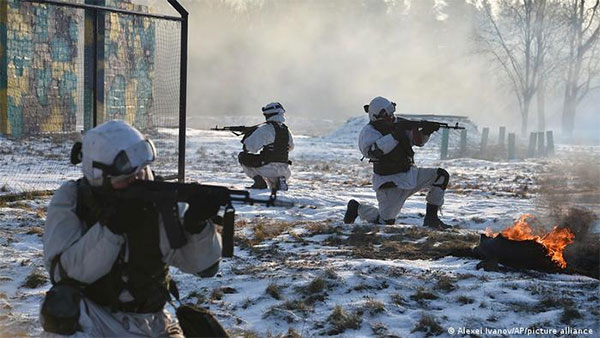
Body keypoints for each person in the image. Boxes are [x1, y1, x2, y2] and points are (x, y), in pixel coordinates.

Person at [41, 120, 223, 337]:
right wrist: (111, 231)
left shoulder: (160, 199)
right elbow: (63, 275)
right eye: (128, 177)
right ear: (100, 177)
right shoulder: (73, 198)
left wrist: (198, 227)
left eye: (143, 171)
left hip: (151, 322)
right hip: (92, 318)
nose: (139, 180)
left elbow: (205, 268)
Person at [343, 96, 451, 229]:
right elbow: (373, 152)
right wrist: (394, 136)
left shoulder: (398, 124)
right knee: (385, 223)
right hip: (390, 183)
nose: (391, 117)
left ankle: (431, 219)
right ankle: (357, 208)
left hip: (410, 175)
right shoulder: (369, 132)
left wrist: (426, 131)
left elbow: (418, 141)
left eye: (391, 113)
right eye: (387, 115)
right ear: (377, 117)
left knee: (440, 176)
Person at [237, 102, 294, 190]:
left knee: (243, 157)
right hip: (285, 170)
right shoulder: (286, 129)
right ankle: (280, 181)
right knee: (274, 189)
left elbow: (249, 148)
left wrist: (249, 134)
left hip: (267, 169)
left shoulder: (265, 129)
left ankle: (259, 182)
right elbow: (291, 147)